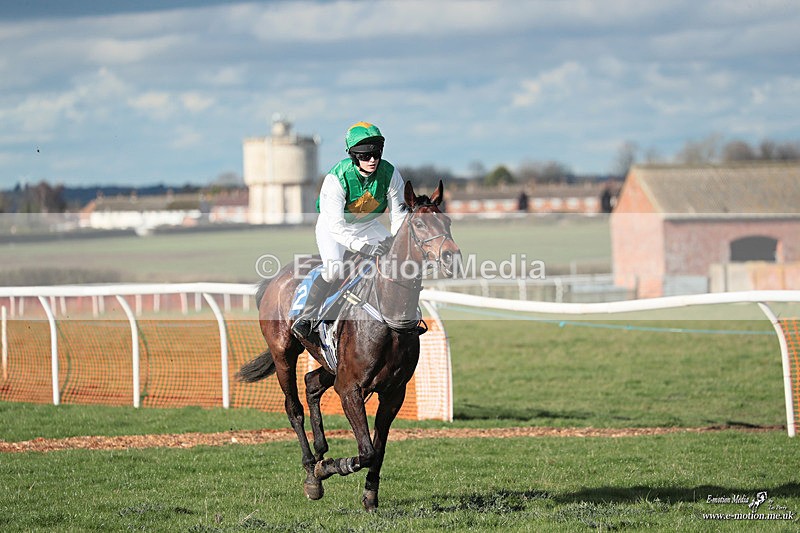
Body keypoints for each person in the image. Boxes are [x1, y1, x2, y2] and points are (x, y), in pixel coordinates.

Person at [291, 122, 407, 342]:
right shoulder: (336, 178)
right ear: (353, 156)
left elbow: (398, 215)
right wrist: (363, 246)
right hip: (334, 227)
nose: (372, 160)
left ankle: (402, 316)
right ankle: (306, 317)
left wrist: (396, 242)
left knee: (396, 261)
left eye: (376, 154)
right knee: (334, 268)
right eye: (365, 156)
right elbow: (335, 226)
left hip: (367, 225)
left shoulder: (390, 173)